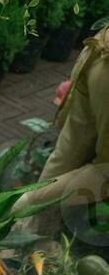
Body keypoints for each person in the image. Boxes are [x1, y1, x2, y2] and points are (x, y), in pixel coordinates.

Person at [20, 23, 109, 246]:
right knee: (105, 169)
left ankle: (29, 239)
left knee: (68, 153)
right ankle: (15, 209)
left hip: (99, 50)